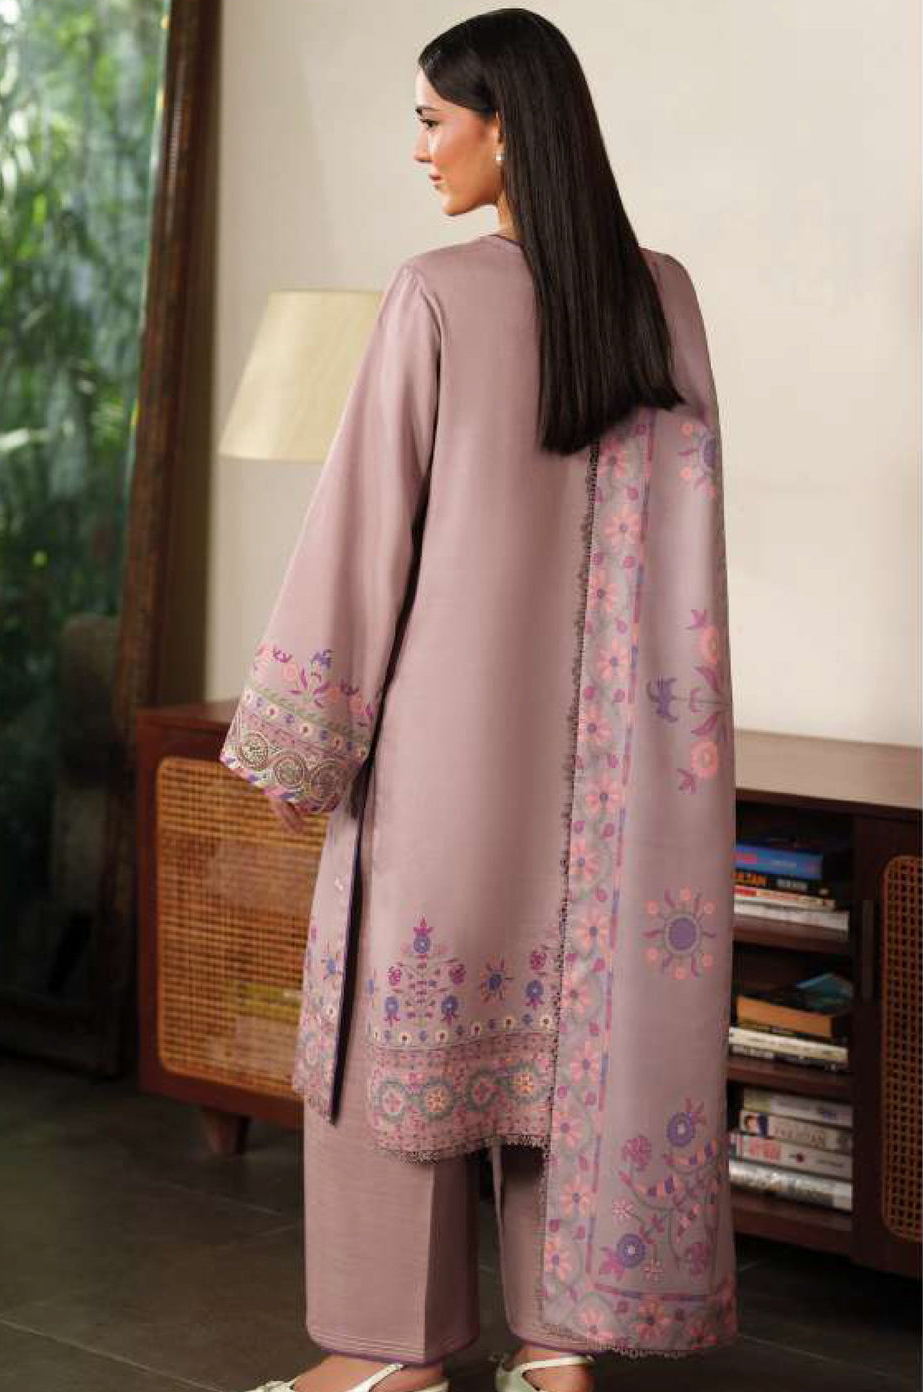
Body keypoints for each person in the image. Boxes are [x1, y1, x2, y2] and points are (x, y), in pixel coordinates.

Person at [221, 10, 739, 1392]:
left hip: (446, 764)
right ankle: (560, 1345)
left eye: (432, 122)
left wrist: (300, 739)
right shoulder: (664, 298)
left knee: (394, 1038)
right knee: (575, 1048)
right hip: (620, 795)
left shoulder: (438, 293)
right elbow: (692, 551)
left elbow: (363, 529)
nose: (419, 151)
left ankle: (387, 1355)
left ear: (503, 127)